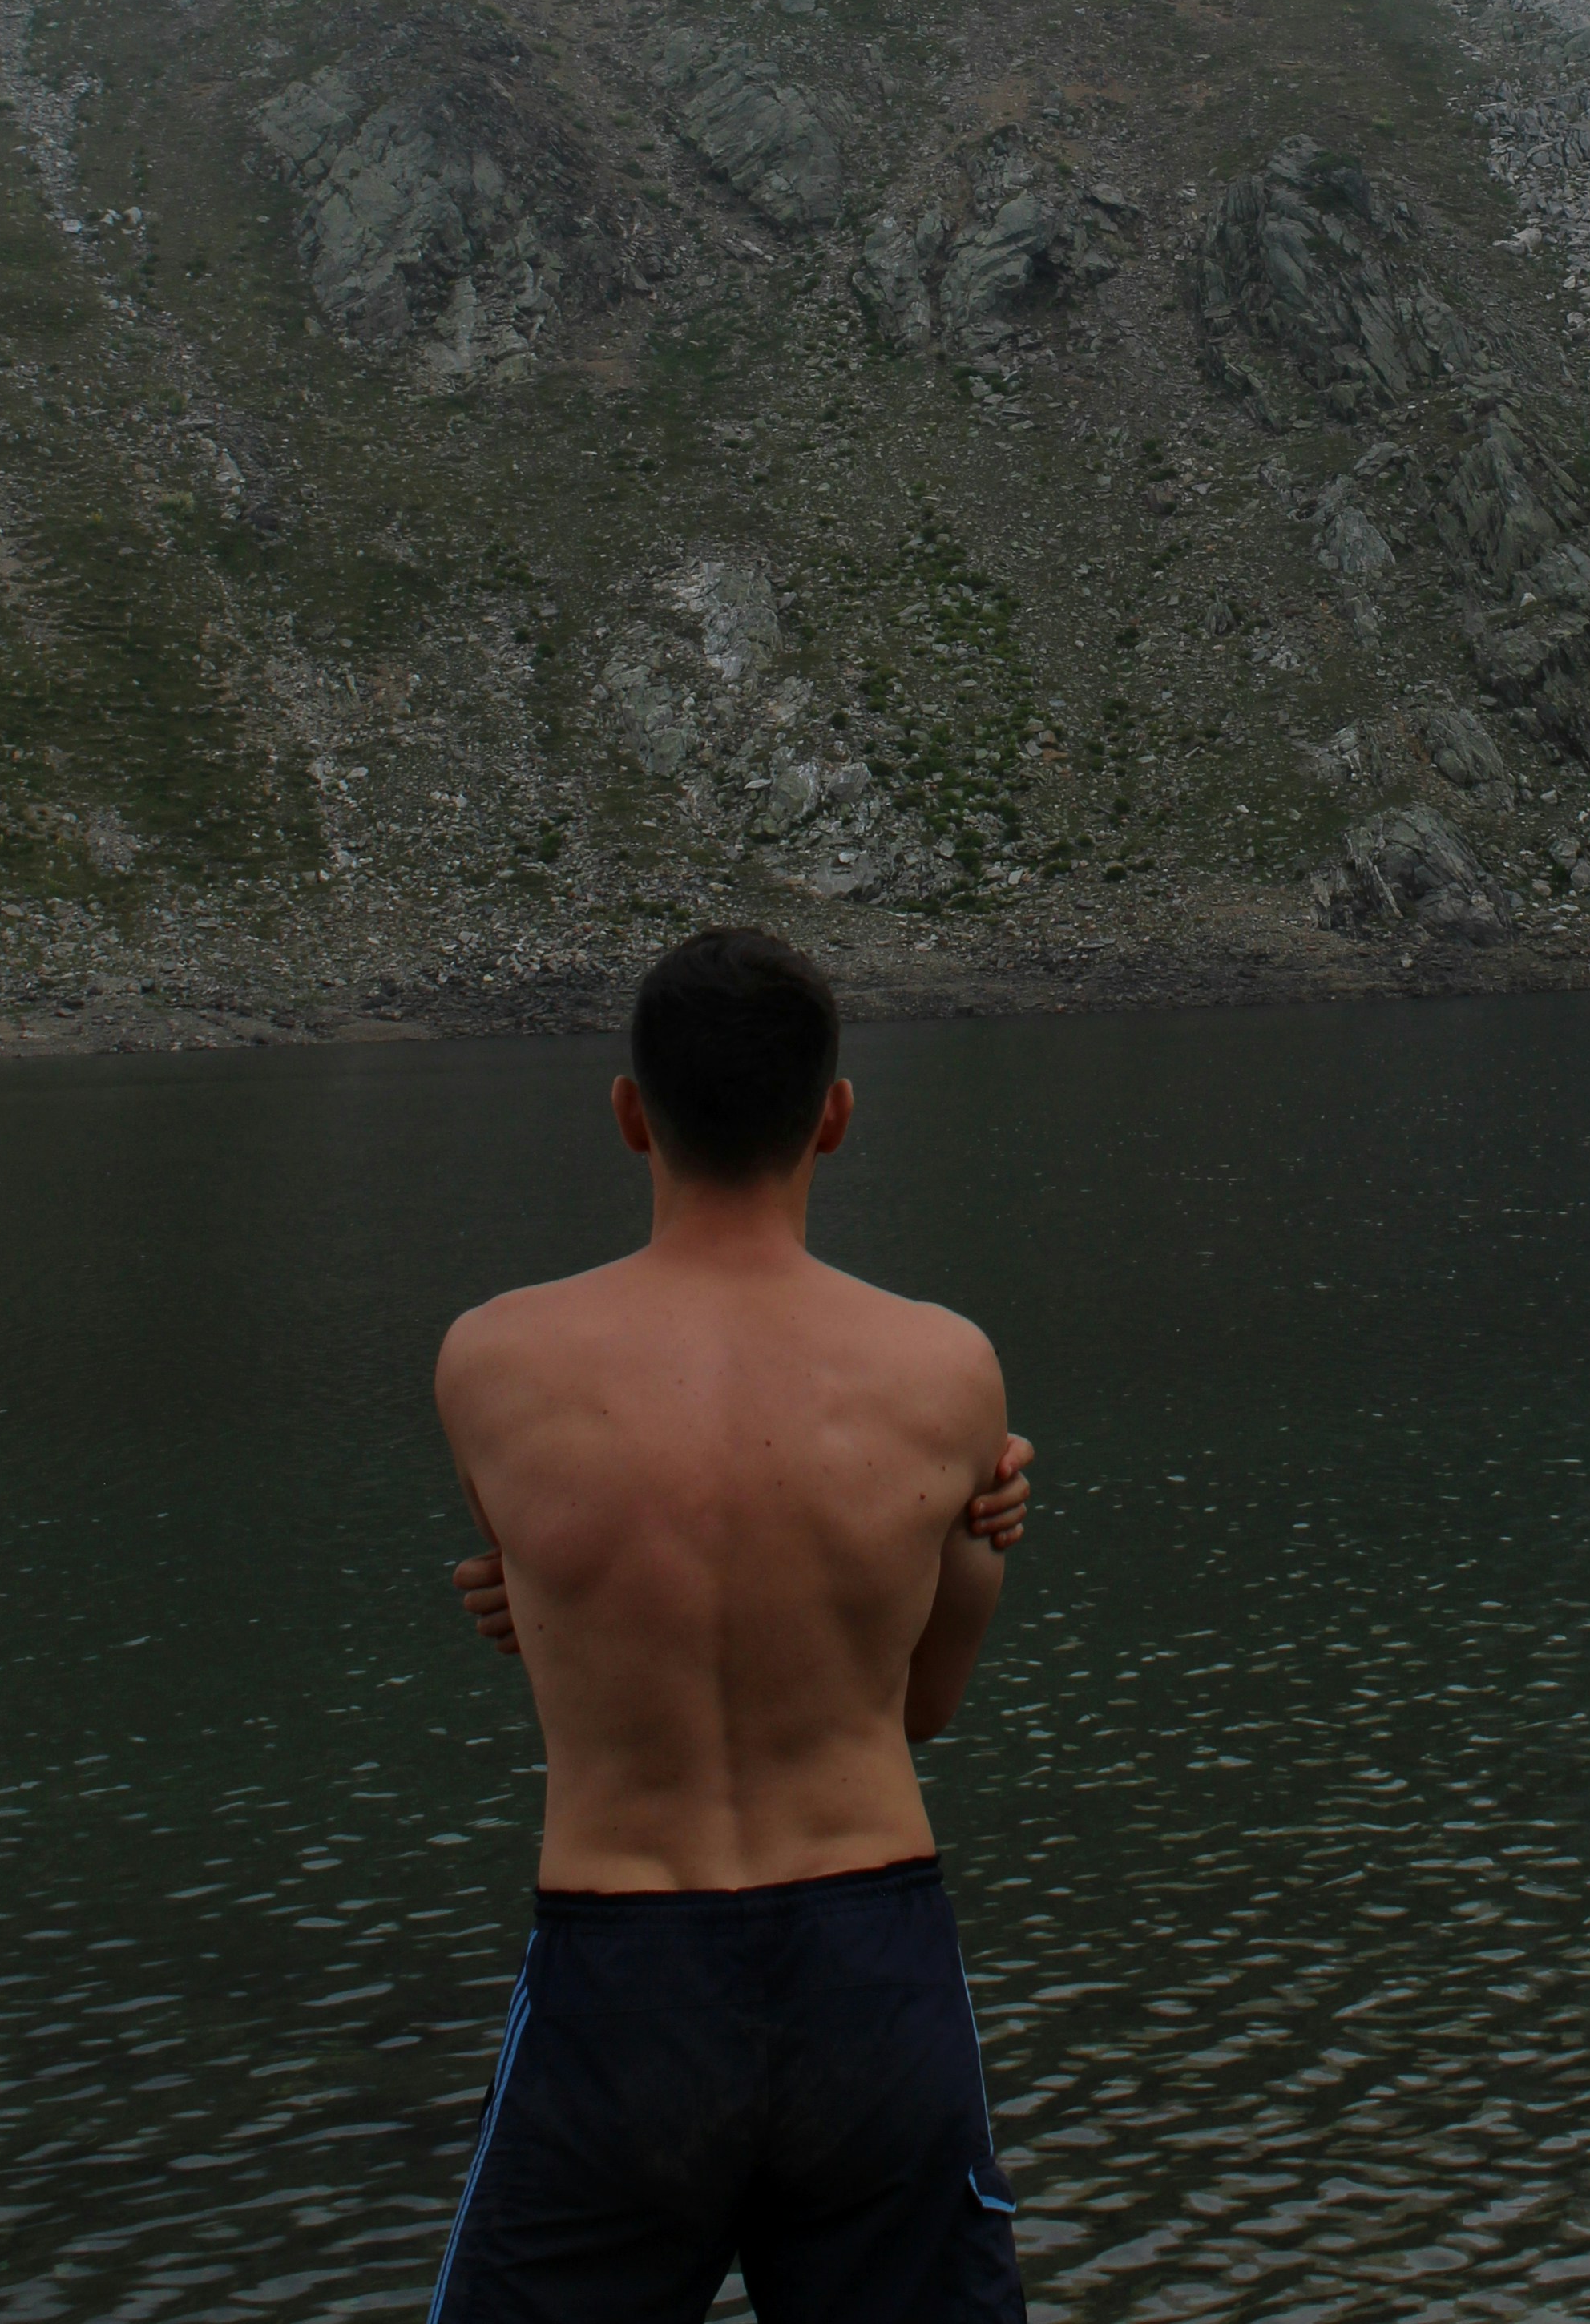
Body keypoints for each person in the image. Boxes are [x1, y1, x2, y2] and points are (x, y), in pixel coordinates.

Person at [426, 925, 1035, 2322]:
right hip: (869, 1966)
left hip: (622, 1973)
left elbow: (569, 1603)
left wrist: (530, 1603)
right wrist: (978, 1544)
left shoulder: (493, 1361)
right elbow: (922, 1707)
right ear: (835, 1116)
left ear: (630, 1114)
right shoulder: (946, 1369)